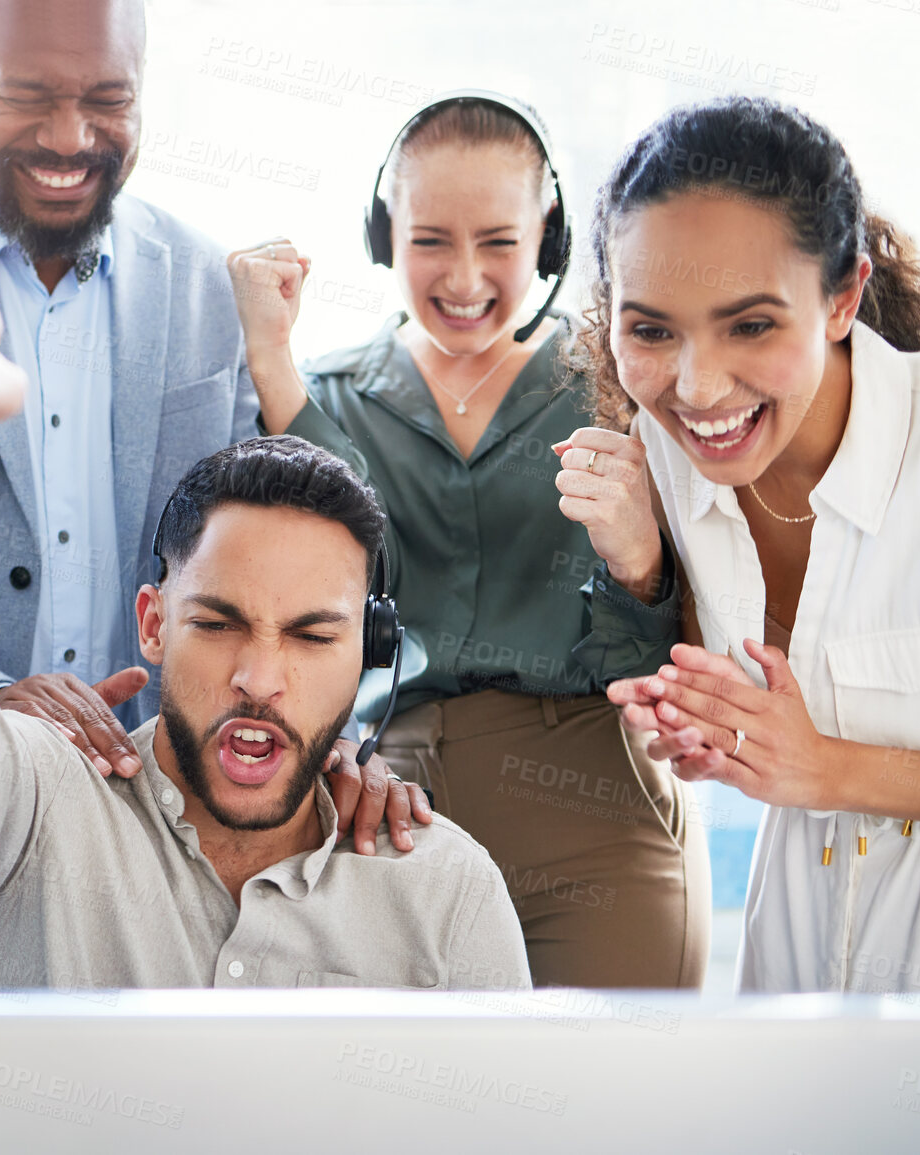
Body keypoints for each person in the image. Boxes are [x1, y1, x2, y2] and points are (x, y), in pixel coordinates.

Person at [0, 0, 421, 988]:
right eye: (26, 96)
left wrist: (322, 740)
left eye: (106, 99)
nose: (68, 135)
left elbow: (252, 564)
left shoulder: (199, 281)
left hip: (148, 829)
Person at [0, 243, 530, 989]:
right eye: (217, 622)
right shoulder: (31, 807)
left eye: (310, 634)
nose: (259, 678)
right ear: (153, 623)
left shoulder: (445, 892)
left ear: (368, 650)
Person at [226, 92, 709, 988]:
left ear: (550, 237)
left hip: (595, 811)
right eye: (429, 242)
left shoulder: (618, 388)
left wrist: (638, 562)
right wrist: (274, 373)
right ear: (383, 235)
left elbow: (665, 651)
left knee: (611, 1109)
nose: (463, 278)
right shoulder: (318, 395)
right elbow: (322, 593)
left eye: (497, 242)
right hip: (398, 816)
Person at [575, 96, 920, 994]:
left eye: (749, 325)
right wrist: (705, 719)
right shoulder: (663, 463)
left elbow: (812, 760)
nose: (696, 384)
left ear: (842, 299)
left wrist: (823, 769)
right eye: (649, 329)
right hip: (795, 973)